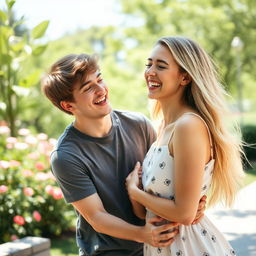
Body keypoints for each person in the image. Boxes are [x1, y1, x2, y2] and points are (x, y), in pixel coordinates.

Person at [41, 53, 206, 256]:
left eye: (99, 79)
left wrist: (190, 205)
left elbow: (162, 179)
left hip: (157, 248)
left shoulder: (139, 124)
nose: (101, 89)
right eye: (88, 88)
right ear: (68, 106)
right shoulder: (66, 155)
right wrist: (143, 234)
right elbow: (97, 216)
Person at [126, 36, 244, 256]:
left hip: (190, 247)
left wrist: (134, 191)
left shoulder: (188, 126)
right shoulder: (162, 128)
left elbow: (185, 213)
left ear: (185, 77)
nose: (150, 71)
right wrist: (138, 197)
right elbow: (147, 213)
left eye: (161, 66)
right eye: (148, 64)